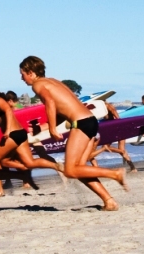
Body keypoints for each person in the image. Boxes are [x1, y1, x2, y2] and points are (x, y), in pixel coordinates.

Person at [19, 56, 126, 210]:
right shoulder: (54, 81)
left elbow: (49, 102)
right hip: (90, 121)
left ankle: (115, 174)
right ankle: (109, 201)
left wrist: (52, 129)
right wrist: (44, 127)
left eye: (22, 74)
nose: (21, 78)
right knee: (79, 169)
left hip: (81, 124)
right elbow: (65, 110)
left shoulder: (37, 85)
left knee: (70, 170)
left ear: (30, 72)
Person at [0, 84, 63, 197]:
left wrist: (6, 131)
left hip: (13, 134)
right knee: (29, 162)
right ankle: (57, 166)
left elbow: (8, 110)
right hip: (20, 134)